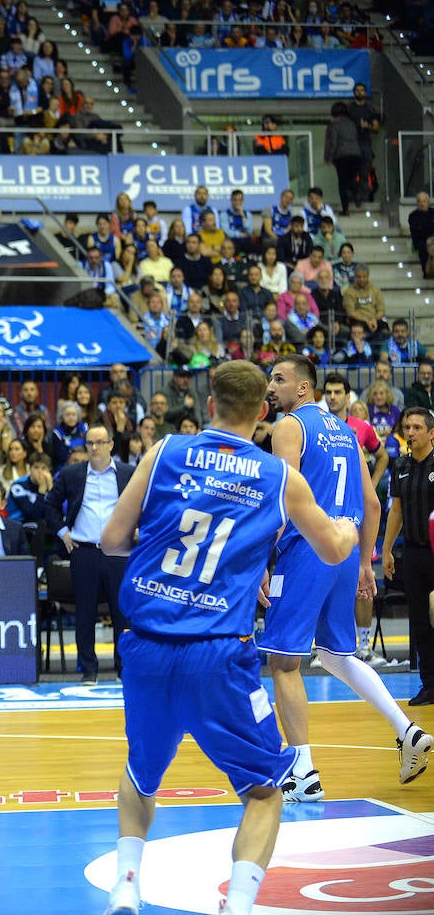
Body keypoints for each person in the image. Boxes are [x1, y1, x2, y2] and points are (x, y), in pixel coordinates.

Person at [99, 359, 361, 915]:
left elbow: (112, 539)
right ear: (263, 412)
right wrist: (350, 525)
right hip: (218, 651)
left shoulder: (164, 450)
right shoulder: (277, 476)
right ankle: (238, 906)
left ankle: (127, 883)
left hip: (145, 642)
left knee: (141, 774)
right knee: (266, 791)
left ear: (208, 401)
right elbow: (335, 550)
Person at [257, 356, 430, 805]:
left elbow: (283, 497)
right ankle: (406, 730)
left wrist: (260, 557)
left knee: (283, 661)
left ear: (303, 388)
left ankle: (302, 773)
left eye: (279, 379)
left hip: (306, 550)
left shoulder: (290, 427)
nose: (270, 387)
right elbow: (372, 504)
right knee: (336, 656)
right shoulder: (347, 432)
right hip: (346, 548)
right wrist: (363, 564)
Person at [45, 425, 135, 685]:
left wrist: (137, 528)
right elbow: (49, 504)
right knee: (84, 612)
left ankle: (123, 668)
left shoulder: (128, 473)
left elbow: (145, 503)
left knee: (122, 613)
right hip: (84, 551)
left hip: (119, 551)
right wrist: (63, 531)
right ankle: (88, 670)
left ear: (111, 445)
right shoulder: (72, 474)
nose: (94, 448)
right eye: (90, 443)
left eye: (99, 442)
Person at [383, 407, 434, 705]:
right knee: (418, 620)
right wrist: (387, 548)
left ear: (431, 433)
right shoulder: (400, 465)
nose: (411, 432)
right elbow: (396, 511)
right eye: (407, 427)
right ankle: (429, 684)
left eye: (416, 427)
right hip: (413, 553)